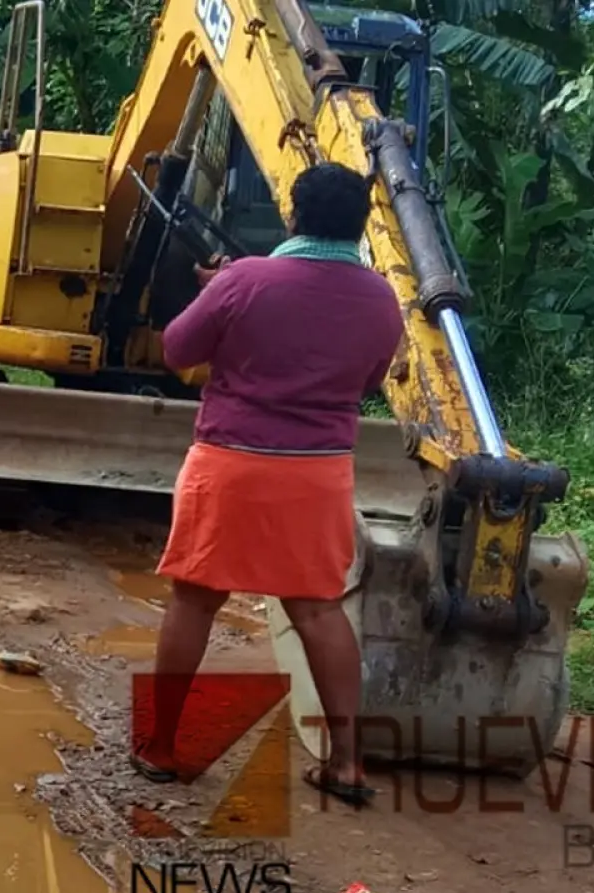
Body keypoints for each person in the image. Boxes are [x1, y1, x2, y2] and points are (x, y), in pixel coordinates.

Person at [130, 162, 403, 805]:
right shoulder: (381, 299)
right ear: (361, 223)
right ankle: (347, 763)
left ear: (293, 216)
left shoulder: (247, 279)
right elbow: (368, 381)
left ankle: (163, 747)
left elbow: (176, 349)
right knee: (318, 608)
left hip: (231, 464)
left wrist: (216, 292)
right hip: (318, 473)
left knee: (196, 599)